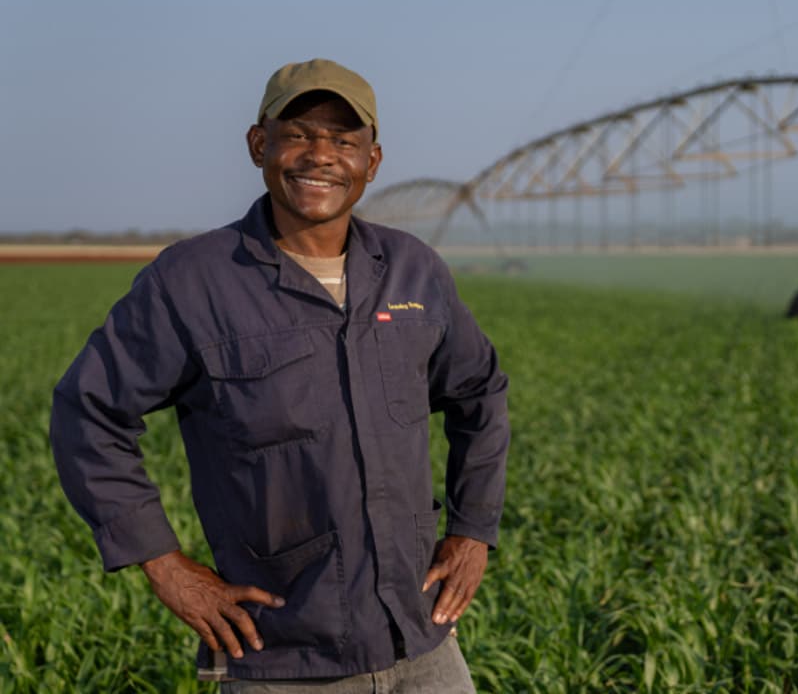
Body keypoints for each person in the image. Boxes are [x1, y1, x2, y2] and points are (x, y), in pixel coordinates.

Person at [50, 59, 510, 692]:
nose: (321, 155)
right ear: (258, 144)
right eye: (298, 133)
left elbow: (479, 391)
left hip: (422, 643)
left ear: (372, 163)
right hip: (284, 659)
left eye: (345, 141)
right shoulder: (192, 281)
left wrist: (473, 530)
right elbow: (87, 410)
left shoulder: (413, 271)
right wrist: (164, 564)